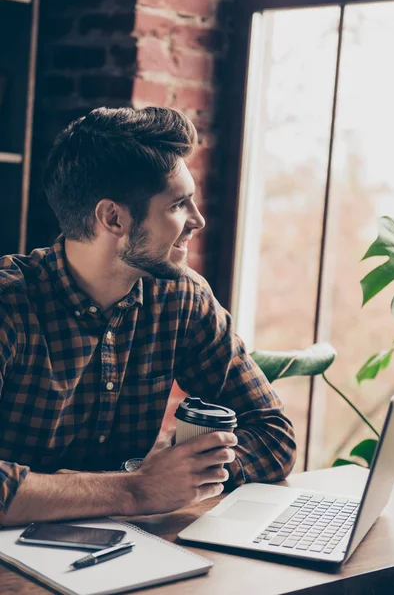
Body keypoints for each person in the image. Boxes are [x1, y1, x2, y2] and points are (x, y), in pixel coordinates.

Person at [0, 107, 296, 527]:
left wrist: (182, 474)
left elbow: (272, 433)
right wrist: (136, 488)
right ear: (114, 218)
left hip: (130, 554)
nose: (198, 220)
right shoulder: (8, 305)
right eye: (178, 204)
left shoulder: (183, 299)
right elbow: (141, 489)